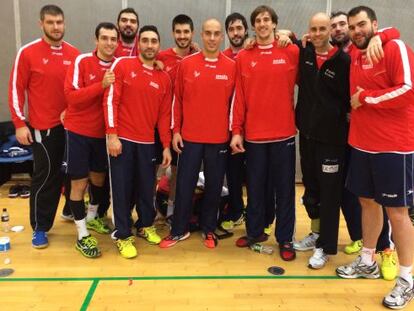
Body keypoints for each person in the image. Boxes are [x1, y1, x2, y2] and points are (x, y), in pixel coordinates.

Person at [335, 6, 414, 309]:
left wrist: (364, 99)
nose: (356, 31)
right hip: (362, 144)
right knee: (366, 202)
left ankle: (406, 279)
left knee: (398, 213)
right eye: (353, 26)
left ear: (375, 24)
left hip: (394, 147)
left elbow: (408, 90)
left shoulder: (395, 48)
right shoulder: (356, 51)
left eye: (362, 25)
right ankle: (368, 259)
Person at [159, 18, 236, 249]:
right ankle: (178, 230)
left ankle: (209, 229)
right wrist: (176, 131)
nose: (212, 38)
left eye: (216, 34)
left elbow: (236, 105)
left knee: (214, 185)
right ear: (201, 35)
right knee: (184, 184)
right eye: (208, 33)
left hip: (218, 139)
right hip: (190, 138)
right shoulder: (187, 64)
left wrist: (235, 133)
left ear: (221, 37)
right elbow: (177, 101)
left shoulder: (231, 66)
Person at [230, 5, 299, 261]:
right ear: (254, 26)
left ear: (274, 24)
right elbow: (239, 98)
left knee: (284, 191)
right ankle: (255, 232)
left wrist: (290, 35)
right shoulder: (244, 57)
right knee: (256, 189)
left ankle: (285, 239)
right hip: (254, 137)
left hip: (284, 137)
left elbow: (314, 66)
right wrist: (236, 131)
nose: (262, 24)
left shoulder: (290, 51)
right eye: (257, 20)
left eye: (266, 20)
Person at [8, 4, 79, 248]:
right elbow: (16, 90)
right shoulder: (27, 53)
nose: (56, 27)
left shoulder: (74, 53)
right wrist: (19, 123)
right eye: (50, 22)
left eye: (59, 22)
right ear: (41, 24)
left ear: (65, 23)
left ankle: (70, 211)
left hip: (72, 128)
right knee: (47, 177)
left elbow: (79, 92)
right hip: (43, 128)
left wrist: (71, 110)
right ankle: (40, 227)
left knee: (74, 175)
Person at [103, 25, 172, 259]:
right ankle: (123, 235)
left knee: (146, 188)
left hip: (147, 143)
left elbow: (164, 115)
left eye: (154, 41)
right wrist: (112, 135)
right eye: (145, 40)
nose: (149, 45)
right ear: (138, 44)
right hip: (121, 140)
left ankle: (144, 225)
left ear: (159, 46)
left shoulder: (164, 78)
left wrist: (165, 145)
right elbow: (111, 100)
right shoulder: (122, 65)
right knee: (121, 191)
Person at [294, 12, 350, 269]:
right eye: (313, 29)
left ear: (331, 31)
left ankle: (326, 246)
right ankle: (316, 234)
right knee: (312, 189)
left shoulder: (343, 61)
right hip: (306, 136)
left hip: (332, 141)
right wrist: (285, 35)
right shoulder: (304, 54)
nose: (317, 33)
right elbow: (284, 38)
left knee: (330, 194)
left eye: (322, 29)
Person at [63, 22, 118, 258]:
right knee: (79, 184)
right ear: (96, 40)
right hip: (78, 132)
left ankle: (93, 216)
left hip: (102, 135)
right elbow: (71, 97)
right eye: (104, 38)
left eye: (113, 39)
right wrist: (101, 85)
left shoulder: (119, 64)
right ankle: (82, 234)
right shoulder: (82, 61)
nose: (109, 43)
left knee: (99, 179)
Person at [156, 14, 196, 219]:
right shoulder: (161, 57)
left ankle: (171, 211)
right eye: (178, 32)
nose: (182, 36)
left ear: (192, 33)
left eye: (186, 32)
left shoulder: (196, 56)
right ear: (173, 33)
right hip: (159, 123)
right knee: (155, 170)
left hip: (183, 125)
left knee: (176, 172)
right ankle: (149, 213)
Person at [219, 12, 249, 232]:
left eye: (239, 28)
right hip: (231, 127)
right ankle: (237, 210)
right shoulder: (223, 57)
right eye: (232, 29)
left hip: (256, 125)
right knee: (234, 173)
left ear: (246, 30)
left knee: (258, 174)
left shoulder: (253, 51)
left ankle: (261, 215)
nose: (236, 32)